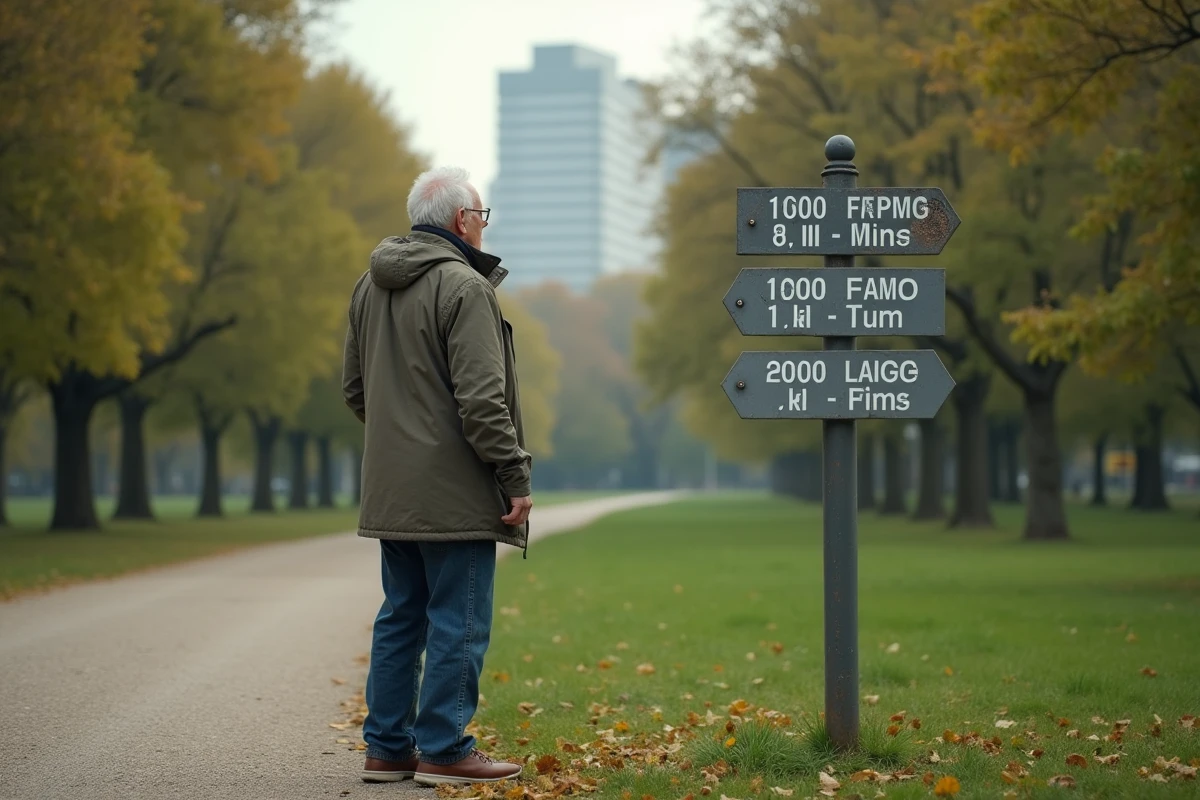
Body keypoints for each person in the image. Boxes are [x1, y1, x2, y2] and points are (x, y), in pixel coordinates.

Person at [341, 166, 533, 786]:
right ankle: (446, 750)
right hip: (454, 492)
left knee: (401, 615)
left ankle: (387, 749)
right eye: (481, 216)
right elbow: (483, 401)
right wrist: (513, 474)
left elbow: (355, 389)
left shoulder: (367, 288)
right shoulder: (464, 288)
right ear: (460, 221)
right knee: (459, 618)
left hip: (392, 490)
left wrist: (402, 440)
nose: (483, 226)